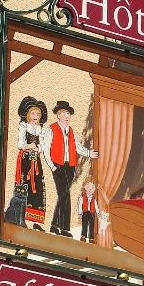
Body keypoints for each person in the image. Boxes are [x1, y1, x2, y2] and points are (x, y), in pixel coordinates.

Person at [41, 100, 98, 237]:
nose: (67, 116)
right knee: (65, 195)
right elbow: (45, 148)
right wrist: (53, 166)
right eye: (64, 113)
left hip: (70, 167)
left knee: (62, 196)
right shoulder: (52, 129)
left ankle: (55, 226)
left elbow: (77, 147)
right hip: (58, 166)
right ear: (59, 115)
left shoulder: (71, 131)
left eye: (68, 114)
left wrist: (89, 153)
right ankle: (65, 229)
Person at [15, 96, 48, 229]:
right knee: (25, 185)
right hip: (26, 160)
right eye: (33, 113)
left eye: (38, 114)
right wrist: (30, 146)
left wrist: (38, 148)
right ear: (28, 115)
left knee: (38, 187)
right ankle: (21, 218)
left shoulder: (40, 129)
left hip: (36, 161)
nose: (36, 116)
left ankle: (36, 221)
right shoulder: (24, 126)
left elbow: (43, 146)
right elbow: (20, 144)